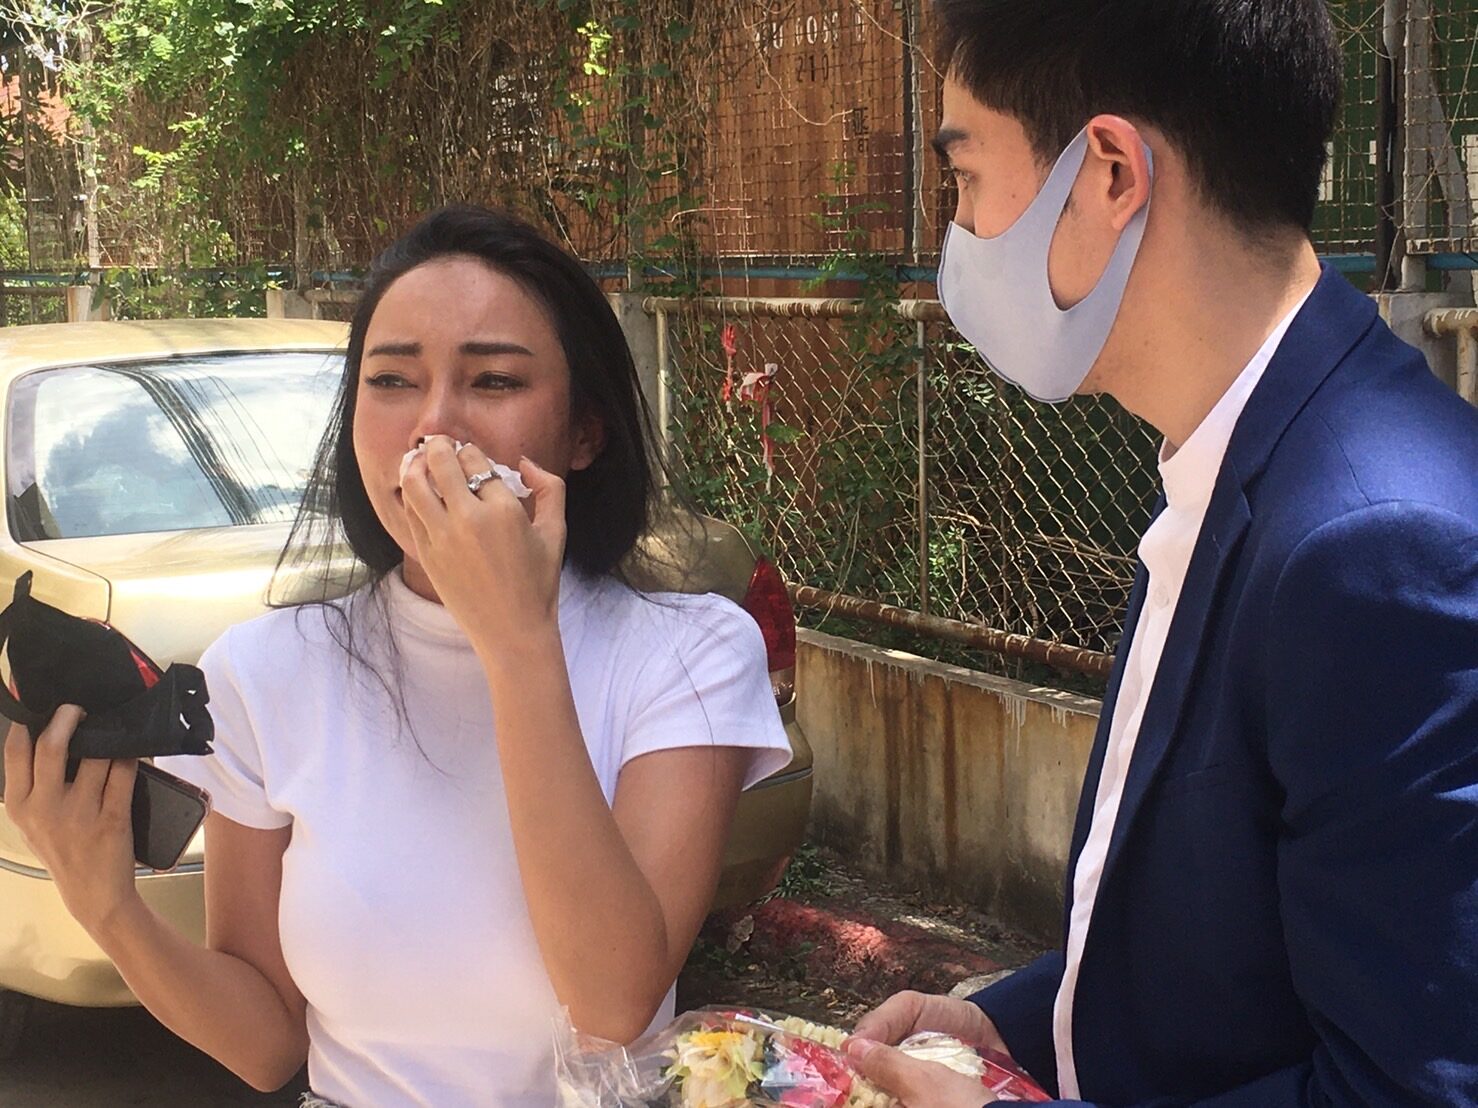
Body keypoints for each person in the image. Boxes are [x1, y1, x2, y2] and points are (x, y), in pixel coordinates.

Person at [1, 206, 794, 1107]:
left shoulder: (688, 652)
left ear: (585, 432)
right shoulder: (268, 669)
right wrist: (105, 904)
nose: (433, 425)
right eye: (390, 381)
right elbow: (266, 1045)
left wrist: (516, 640)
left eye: (493, 380)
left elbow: (613, 1006)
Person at [841, 2, 1478, 1105]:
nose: (962, 231)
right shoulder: (1242, 454)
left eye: (967, 179)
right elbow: (1233, 957)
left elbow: (1406, 1089)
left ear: (1108, 174)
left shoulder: (1372, 547)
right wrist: (1015, 1028)